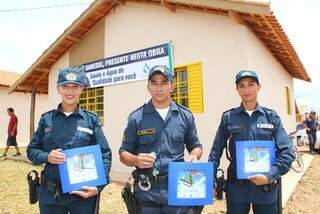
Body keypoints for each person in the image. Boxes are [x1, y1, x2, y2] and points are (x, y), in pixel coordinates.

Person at [27, 67, 112, 214]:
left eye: (75, 87)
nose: (70, 91)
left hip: (82, 195)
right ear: (58, 89)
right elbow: (31, 150)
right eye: (65, 86)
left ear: (81, 89)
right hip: (51, 196)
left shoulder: (91, 120)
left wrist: (98, 187)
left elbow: (105, 154)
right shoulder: (46, 119)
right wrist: (47, 156)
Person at [119, 65, 203, 214]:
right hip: (147, 190)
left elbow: (196, 146)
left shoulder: (185, 116)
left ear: (172, 86)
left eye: (164, 82)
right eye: (154, 83)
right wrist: (136, 160)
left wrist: (194, 155)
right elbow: (123, 154)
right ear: (148, 87)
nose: (159, 88)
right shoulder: (136, 118)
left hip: (178, 186)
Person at [208, 70, 294, 214]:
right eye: (241, 86)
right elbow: (216, 151)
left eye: (251, 84)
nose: (246, 89)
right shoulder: (228, 117)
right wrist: (210, 180)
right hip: (237, 187)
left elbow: (287, 151)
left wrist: (270, 175)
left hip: (265, 188)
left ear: (259, 87)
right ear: (237, 89)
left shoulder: (271, 117)